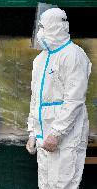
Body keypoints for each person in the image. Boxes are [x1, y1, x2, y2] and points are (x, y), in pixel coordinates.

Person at [26, 8, 92, 188]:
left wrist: (57, 133)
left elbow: (74, 99)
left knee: (64, 182)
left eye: (43, 27)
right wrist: (32, 131)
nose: (40, 32)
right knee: (46, 183)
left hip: (67, 132)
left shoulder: (73, 55)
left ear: (55, 27)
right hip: (43, 131)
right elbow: (36, 99)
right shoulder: (40, 60)